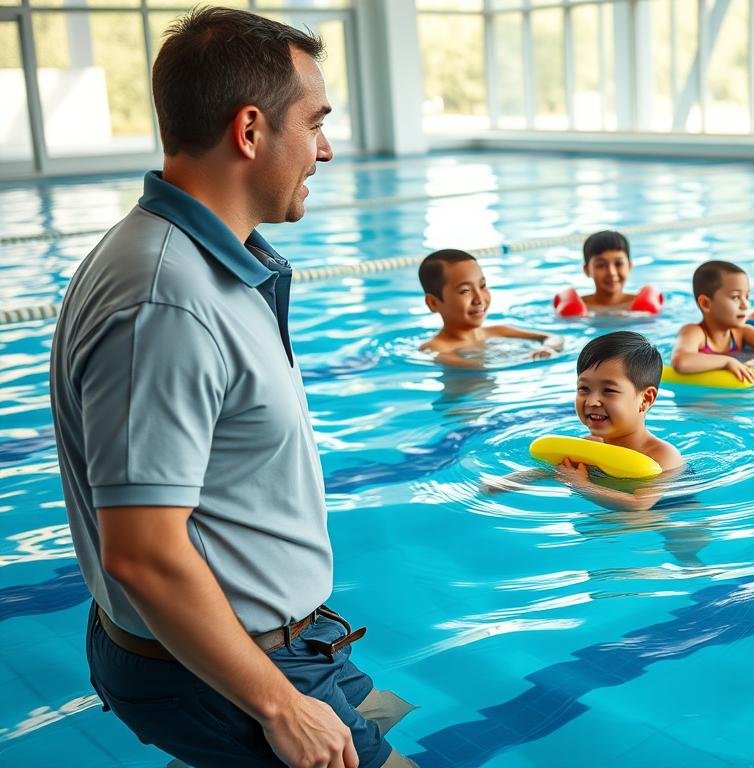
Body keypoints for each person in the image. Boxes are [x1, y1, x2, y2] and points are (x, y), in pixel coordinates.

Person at [48, 8, 413, 767]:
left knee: (395, 717)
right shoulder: (165, 299)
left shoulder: (204, 259)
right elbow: (143, 554)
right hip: (231, 670)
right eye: (314, 123)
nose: (327, 148)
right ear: (250, 131)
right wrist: (279, 704)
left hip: (276, 641)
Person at [486, 332, 684, 512]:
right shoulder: (590, 445)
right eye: (584, 389)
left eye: (609, 390)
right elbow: (554, 470)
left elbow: (639, 504)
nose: (592, 401)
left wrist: (581, 485)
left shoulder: (663, 455)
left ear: (646, 399)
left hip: (675, 509)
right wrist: (502, 484)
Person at [419, 249, 563, 366]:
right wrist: (526, 358)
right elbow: (478, 370)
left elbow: (553, 337)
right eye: (465, 291)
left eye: (482, 286)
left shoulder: (499, 331)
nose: (479, 299)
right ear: (433, 303)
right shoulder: (436, 348)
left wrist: (547, 349)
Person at [671, 260, 754, 382]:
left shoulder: (741, 332)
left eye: (746, 297)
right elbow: (681, 361)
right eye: (735, 297)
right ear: (706, 303)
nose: (745, 305)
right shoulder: (695, 332)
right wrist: (727, 361)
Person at [580, 230, 639, 310]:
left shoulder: (642, 305)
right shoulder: (578, 307)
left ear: (629, 266)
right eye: (601, 265)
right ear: (587, 270)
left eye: (618, 264)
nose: (611, 272)